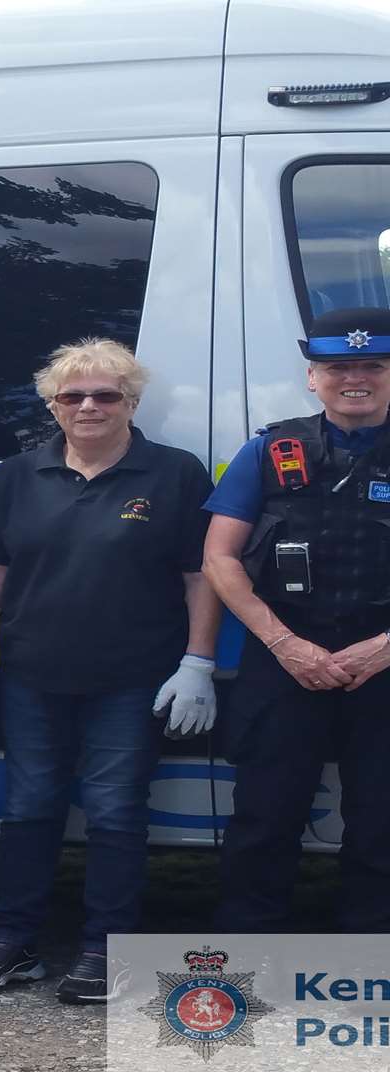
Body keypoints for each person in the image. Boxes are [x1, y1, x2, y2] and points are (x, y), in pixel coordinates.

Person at [0, 339, 218, 1004]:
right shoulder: (16, 475)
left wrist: (198, 663)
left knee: (117, 814)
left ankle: (104, 950)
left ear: (132, 403)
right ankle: (15, 943)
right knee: (28, 809)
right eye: (73, 396)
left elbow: (199, 574)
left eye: (105, 395)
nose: (88, 406)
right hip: (34, 673)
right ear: (53, 406)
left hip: (134, 677)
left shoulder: (175, 474)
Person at [203, 307, 390, 934]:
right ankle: (251, 962)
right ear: (313, 377)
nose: (355, 378)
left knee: (383, 822)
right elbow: (219, 558)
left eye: (373, 365)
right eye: (339, 367)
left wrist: (381, 650)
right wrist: (286, 645)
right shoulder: (270, 450)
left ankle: (369, 967)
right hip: (285, 656)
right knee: (264, 815)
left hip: (385, 659)